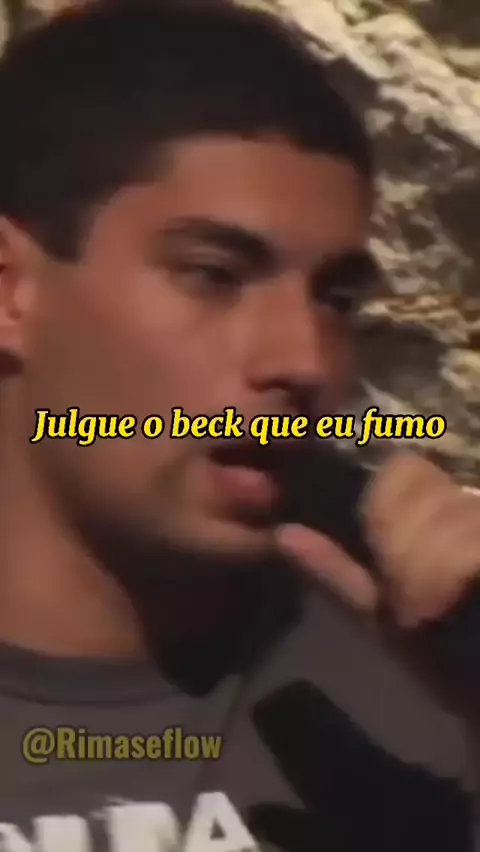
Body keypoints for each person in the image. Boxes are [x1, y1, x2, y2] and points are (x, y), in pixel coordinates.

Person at [0, 1, 479, 849]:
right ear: (12, 292)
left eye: (335, 298)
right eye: (215, 275)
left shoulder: (430, 686)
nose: (305, 361)